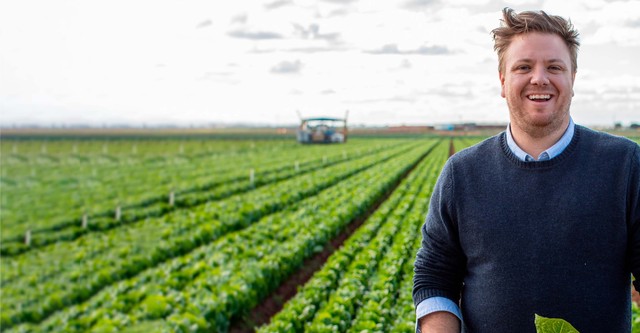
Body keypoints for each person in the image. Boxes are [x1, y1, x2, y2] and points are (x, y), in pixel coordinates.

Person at [412, 7, 640, 333]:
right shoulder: (461, 174)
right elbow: (435, 276)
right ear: (503, 81)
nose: (539, 78)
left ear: (572, 80)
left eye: (554, 67)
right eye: (523, 67)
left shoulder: (624, 164)